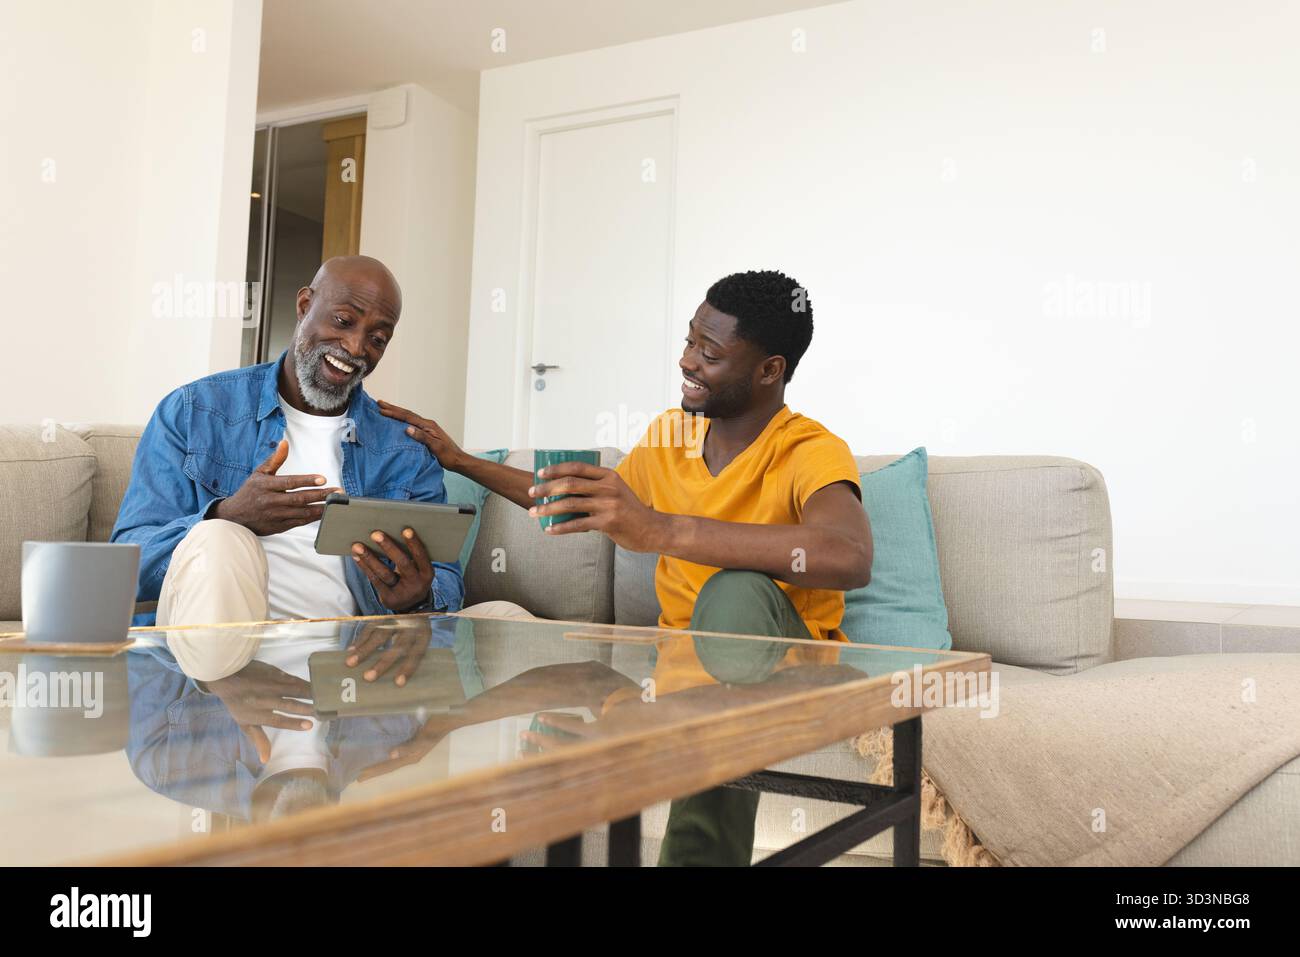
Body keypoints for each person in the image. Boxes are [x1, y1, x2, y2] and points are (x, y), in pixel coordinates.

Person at [380, 269, 873, 865]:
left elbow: (848, 556)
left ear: (770, 369)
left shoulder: (808, 448)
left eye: (709, 353)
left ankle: (662, 732)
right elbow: (572, 495)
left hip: (789, 671)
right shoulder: (672, 435)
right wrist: (458, 458)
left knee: (736, 590)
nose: (687, 361)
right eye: (690, 340)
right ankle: (659, 726)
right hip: (682, 670)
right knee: (584, 677)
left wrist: (665, 529)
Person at [112, 255, 526, 629]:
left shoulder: (404, 447)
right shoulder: (194, 411)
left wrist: (417, 598)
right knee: (220, 537)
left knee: (509, 621)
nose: (355, 347)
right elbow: (125, 567)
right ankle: (233, 697)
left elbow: (445, 580)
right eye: (344, 321)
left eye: (377, 338)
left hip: (352, 661)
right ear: (305, 305)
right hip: (230, 648)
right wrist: (228, 514)